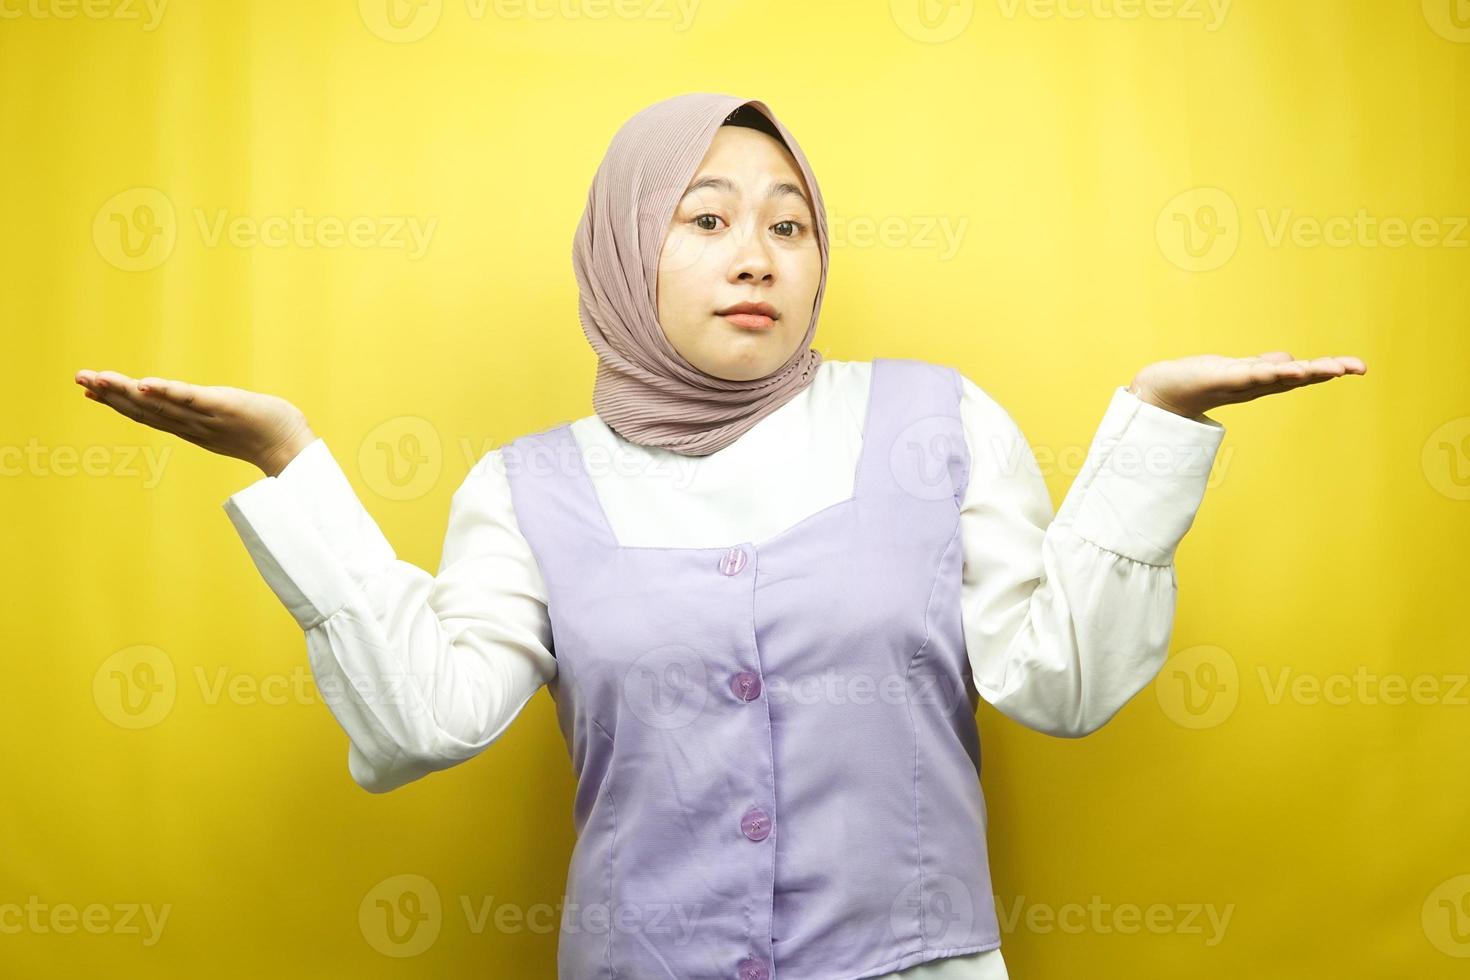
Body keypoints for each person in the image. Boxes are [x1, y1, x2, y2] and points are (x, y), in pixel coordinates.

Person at [74, 93, 1365, 980]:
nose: (755, 254)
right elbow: (422, 719)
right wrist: (287, 465)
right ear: (623, 248)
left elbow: (1063, 685)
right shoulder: (527, 488)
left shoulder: (933, 420)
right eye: (703, 218)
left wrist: (1152, 427)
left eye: (787, 225)